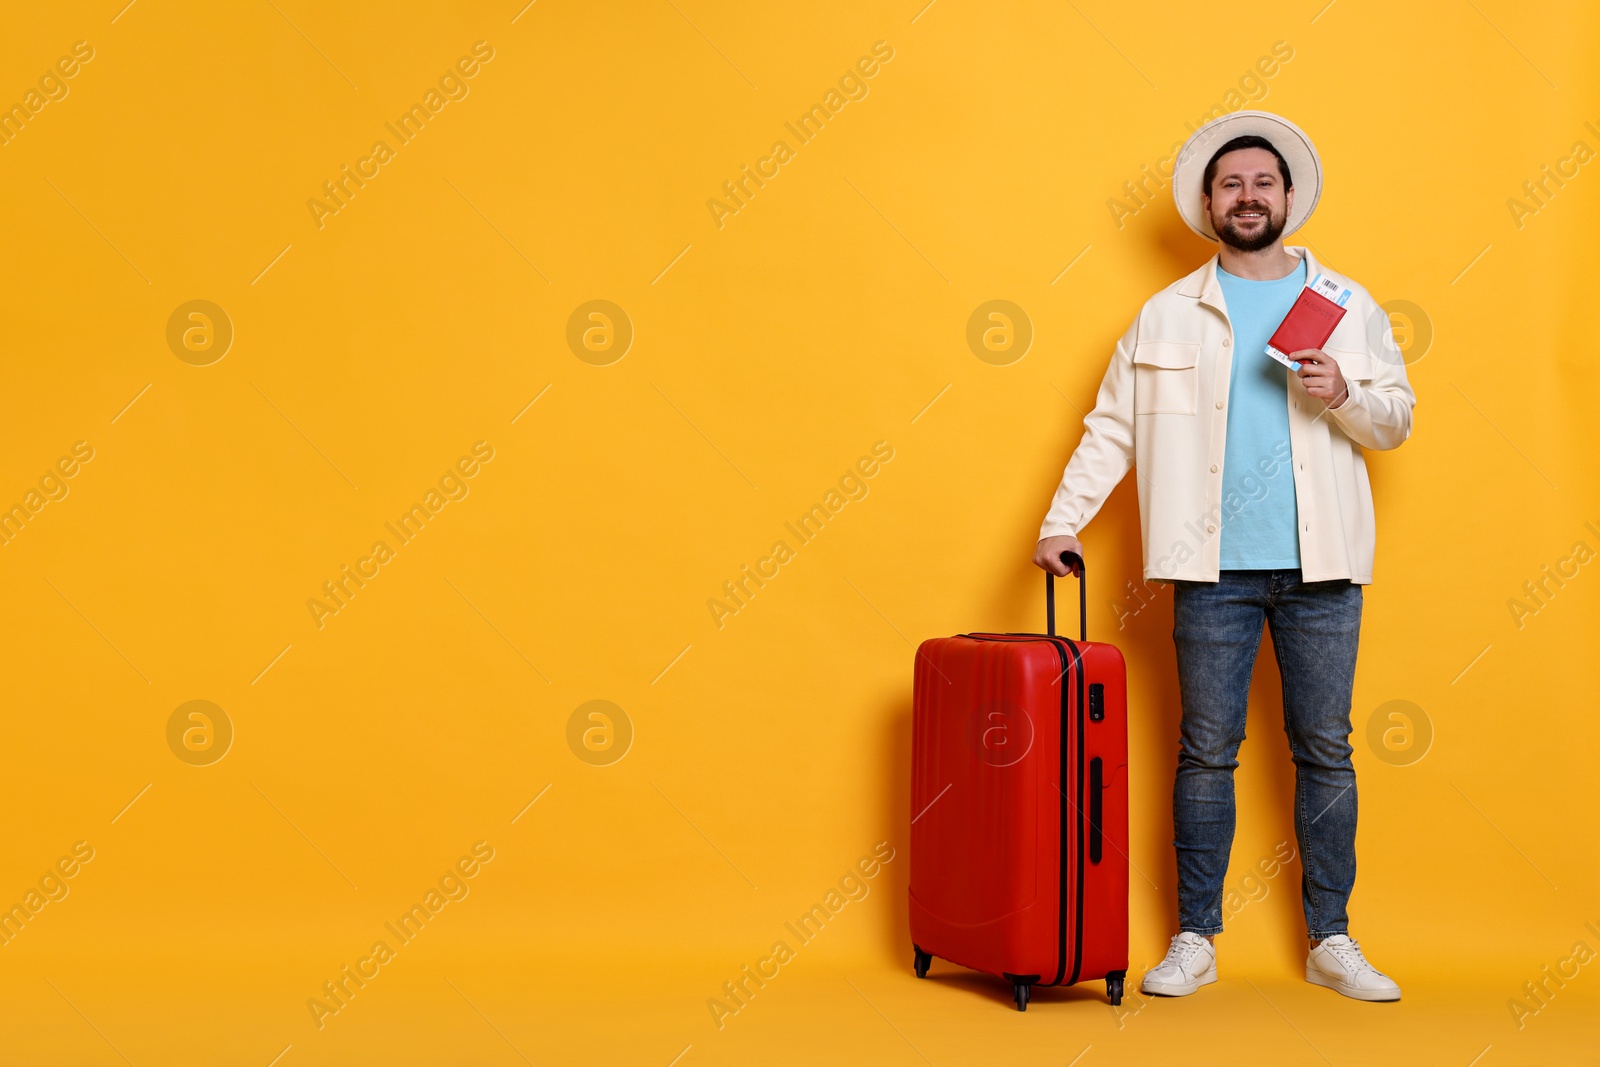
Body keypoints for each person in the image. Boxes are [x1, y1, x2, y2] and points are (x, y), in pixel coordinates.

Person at [1032, 111, 1416, 1001]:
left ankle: (1333, 939)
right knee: (1206, 751)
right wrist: (1063, 520)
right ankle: (1194, 937)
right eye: (1232, 184)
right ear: (1209, 203)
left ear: (1288, 197)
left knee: (1327, 750)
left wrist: (1347, 392)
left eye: (1263, 183)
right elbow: (1111, 428)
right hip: (1209, 570)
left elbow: (1397, 420)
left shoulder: (1349, 305)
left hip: (1324, 570)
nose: (1249, 196)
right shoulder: (1167, 313)